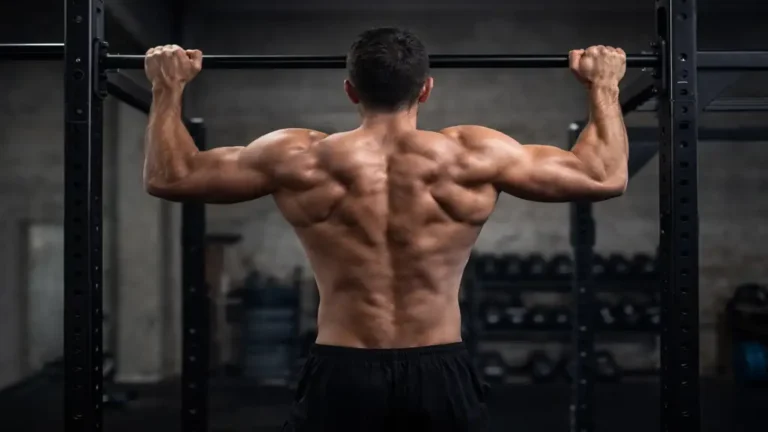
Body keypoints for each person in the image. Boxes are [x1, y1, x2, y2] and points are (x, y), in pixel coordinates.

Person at [143, 28, 628, 432]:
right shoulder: (472, 155)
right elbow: (603, 175)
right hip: (440, 369)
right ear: (426, 89)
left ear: (351, 89)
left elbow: (171, 176)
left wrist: (168, 88)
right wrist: (602, 85)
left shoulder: (300, 158)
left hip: (342, 369)